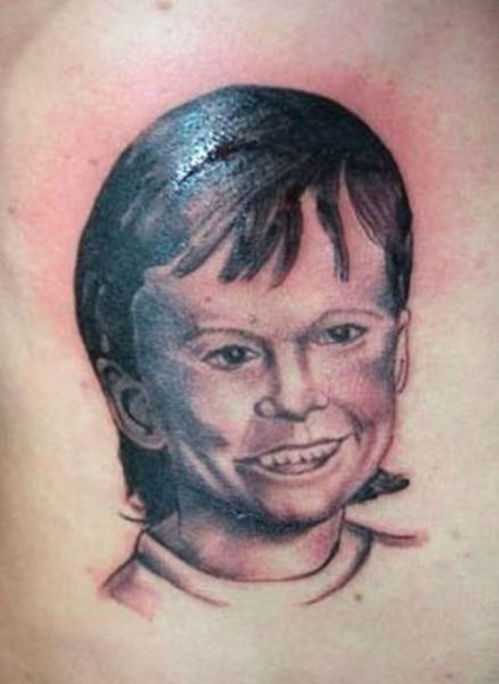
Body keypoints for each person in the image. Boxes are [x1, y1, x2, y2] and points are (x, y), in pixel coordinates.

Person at [74, 84, 418, 615]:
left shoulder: (433, 578)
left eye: (340, 335)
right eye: (232, 355)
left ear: (397, 354)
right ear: (137, 405)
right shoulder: (119, 616)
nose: (295, 398)